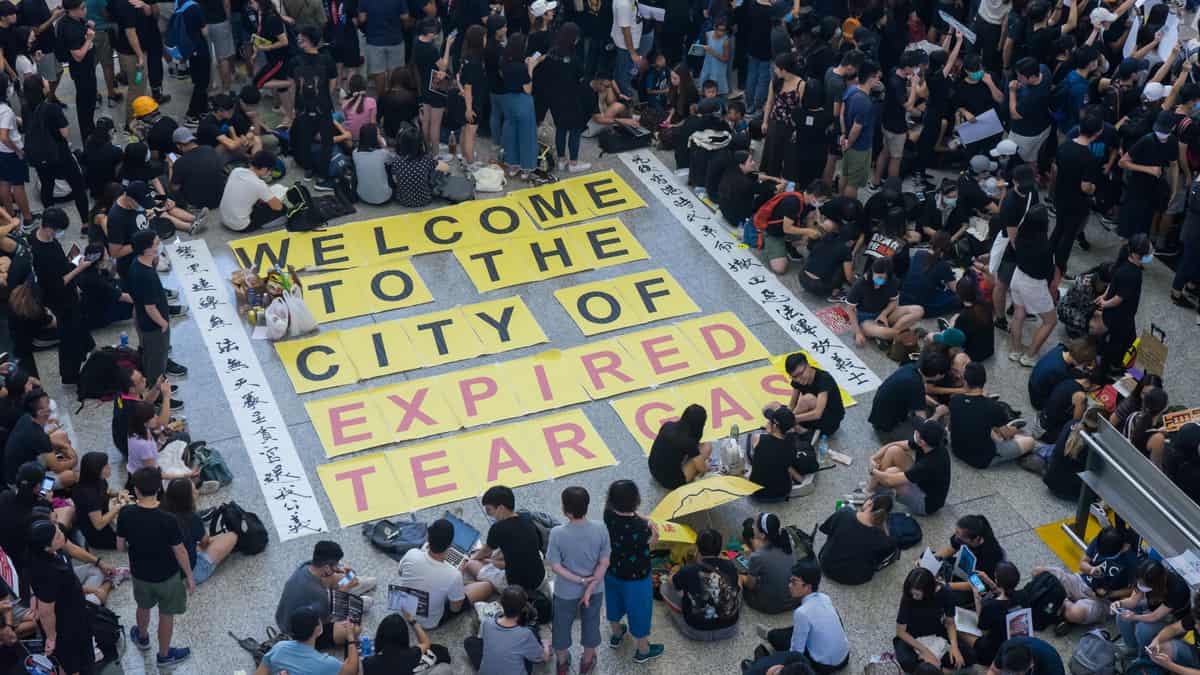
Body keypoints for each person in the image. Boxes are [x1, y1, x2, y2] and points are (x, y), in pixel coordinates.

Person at [116, 467, 194, 667]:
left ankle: (142, 638)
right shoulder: (168, 519)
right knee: (166, 614)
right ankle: (165, 655)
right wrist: (189, 577)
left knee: (143, 606)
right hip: (167, 576)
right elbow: (180, 551)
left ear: (136, 490)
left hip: (140, 574)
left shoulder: (126, 513)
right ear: (159, 488)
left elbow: (119, 546)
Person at [745, 560, 850, 675]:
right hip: (844, 658)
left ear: (807, 587)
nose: (789, 585)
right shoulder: (825, 598)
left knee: (783, 641)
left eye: (794, 582)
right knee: (797, 629)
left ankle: (770, 639)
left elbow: (796, 654)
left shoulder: (802, 613)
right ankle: (772, 635)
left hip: (822, 666)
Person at [546, 486, 609, 674]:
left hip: (565, 591)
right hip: (595, 588)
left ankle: (562, 662)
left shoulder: (557, 533)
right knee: (591, 623)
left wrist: (580, 580)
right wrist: (591, 583)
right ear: (587, 506)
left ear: (565, 510)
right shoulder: (600, 528)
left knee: (561, 624)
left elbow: (555, 566)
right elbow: (604, 562)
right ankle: (587, 661)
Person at [29, 208, 95, 385]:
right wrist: (79, 269)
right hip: (60, 299)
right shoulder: (43, 254)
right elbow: (58, 283)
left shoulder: (39, 237)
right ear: (51, 228)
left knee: (78, 326)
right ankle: (70, 375)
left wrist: (71, 264)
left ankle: (87, 347)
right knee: (69, 338)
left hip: (65, 293)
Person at [1033, 526, 1136, 634]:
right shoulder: (1102, 539)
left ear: (1122, 548)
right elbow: (1082, 564)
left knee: (1075, 613)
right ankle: (1062, 609)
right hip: (1080, 582)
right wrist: (1091, 570)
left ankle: (1057, 603)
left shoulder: (1132, 561)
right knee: (1039, 572)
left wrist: (1110, 594)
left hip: (1101, 600)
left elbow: (1134, 590)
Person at [603, 480, 663, 663]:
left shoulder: (608, 515)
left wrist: (642, 519)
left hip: (612, 571)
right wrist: (655, 533)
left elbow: (629, 515)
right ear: (637, 500)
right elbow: (650, 545)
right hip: (637, 577)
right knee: (639, 610)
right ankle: (643, 650)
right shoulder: (642, 528)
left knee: (613, 603)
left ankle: (616, 634)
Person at [27, 519, 96, 675]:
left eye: (58, 530)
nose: (61, 535)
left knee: (80, 659)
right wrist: (52, 638)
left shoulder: (51, 553)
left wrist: (33, 596)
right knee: (71, 664)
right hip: (65, 624)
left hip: (76, 612)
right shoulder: (47, 572)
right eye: (57, 536)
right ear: (46, 547)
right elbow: (46, 612)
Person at [275, 540, 373, 646]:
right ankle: (352, 592)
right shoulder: (321, 597)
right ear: (326, 567)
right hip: (298, 635)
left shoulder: (306, 566)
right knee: (359, 622)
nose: (338, 567)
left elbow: (333, 575)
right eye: (336, 564)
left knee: (337, 578)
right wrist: (344, 591)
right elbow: (331, 618)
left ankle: (351, 587)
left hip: (285, 617)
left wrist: (349, 576)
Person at [22, 74, 88, 226]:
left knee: (47, 185)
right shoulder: (52, 108)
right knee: (77, 185)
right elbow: (64, 133)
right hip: (60, 154)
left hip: (40, 157)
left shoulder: (26, 108)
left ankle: (50, 219)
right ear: (42, 89)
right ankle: (85, 223)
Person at [464, 485, 546, 596]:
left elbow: (485, 552)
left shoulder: (498, 529)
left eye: (489, 510)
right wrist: (493, 561)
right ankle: (493, 563)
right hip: (540, 578)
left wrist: (471, 559)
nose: (488, 514)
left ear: (501, 508)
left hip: (517, 587)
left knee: (472, 564)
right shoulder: (526, 517)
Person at [949, 363, 1035, 468]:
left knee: (982, 423)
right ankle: (1006, 432)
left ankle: (996, 432)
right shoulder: (993, 407)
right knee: (1030, 442)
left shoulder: (954, 400)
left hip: (957, 450)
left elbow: (951, 425)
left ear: (965, 381)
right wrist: (1015, 430)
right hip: (981, 459)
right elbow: (1006, 435)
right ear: (984, 381)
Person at [662, 528, 740, 641]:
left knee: (664, 586)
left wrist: (673, 572)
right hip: (730, 628)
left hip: (696, 630)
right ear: (719, 549)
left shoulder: (688, 570)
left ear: (697, 548)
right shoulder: (730, 566)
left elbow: (672, 583)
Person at [128, 229, 182, 388]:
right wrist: (163, 324)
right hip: (153, 326)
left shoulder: (137, 263)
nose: (158, 246)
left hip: (144, 321)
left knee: (150, 356)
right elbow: (150, 307)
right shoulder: (147, 276)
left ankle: (158, 385)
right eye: (156, 243)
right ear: (147, 249)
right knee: (156, 360)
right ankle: (157, 394)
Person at [1006, 200, 1058, 365]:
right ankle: (1029, 356)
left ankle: (1015, 351)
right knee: (1050, 321)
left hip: (1017, 277)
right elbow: (1047, 272)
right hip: (1034, 284)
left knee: (1018, 313)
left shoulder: (1020, 235)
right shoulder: (1045, 246)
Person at [864, 419, 951, 517]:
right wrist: (873, 458)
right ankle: (870, 490)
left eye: (917, 432)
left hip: (926, 503)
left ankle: (876, 494)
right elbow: (893, 444)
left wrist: (873, 470)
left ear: (922, 441)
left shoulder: (928, 464)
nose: (915, 432)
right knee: (893, 451)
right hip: (921, 481)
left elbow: (889, 480)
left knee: (891, 472)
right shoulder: (932, 444)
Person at [161, 478, 236, 586]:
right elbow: (204, 543)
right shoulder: (191, 518)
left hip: (165, 567)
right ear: (186, 498)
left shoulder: (161, 511)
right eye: (194, 490)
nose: (197, 491)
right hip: (190, 570)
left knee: (208, 539)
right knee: (231, 536)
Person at [394, 519, 468, 629]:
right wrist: (459, 576)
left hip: (404, 607)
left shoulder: (412, 553)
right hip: (427, 623)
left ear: (428, 538)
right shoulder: (454, 575)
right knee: (482, 587)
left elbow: (400, 572)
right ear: (450, 545)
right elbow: (455, 608)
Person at [893, 567, 967, 673]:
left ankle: (933, 667)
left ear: (929, 590)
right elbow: (900, 632)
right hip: (912, 635)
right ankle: (939, 669)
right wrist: (926, 651)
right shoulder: (908, 597)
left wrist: (954, 647)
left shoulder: (946, 593)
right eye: (912, 593)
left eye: (917, 594)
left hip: (935, 631)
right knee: (907, 661)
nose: (913, 597)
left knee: (966, 655)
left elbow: (950, 623)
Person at [538, 23, 591, 173]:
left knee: (560, 128)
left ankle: (561, 160)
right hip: (572, 98)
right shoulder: (574, 58)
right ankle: (573, 163)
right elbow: (581, 77)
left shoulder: (552, 53)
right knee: (575, 129)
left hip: (554, 98)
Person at [1113, 559, 1193, 656]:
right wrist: (1119, 603)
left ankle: (1143, 656)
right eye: (1139, 583)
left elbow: (1155, 616)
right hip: (1154, 605)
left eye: (1144, 585)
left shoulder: (1178, 588)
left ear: (1156, 584)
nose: (1141, 586)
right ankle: (1131, 647)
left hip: (1174, 617)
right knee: (1121, 616)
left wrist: (1134, 617)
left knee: (1142, 629)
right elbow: (1133, 601)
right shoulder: (1143, 576)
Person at [3, 389, 77, 488]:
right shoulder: (38, 436)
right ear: (41, 412)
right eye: (48, 403)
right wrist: (74, 460)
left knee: (61, 436)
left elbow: (44, 440)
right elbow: (57, 468)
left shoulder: (26, 417)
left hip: (23, 467)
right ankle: (41, 494)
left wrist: (64, 445)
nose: (50, 405)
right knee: (69, 476)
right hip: (22, 485)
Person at [1098, 234, 1151, 374]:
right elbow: (1119, 298)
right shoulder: (1131, 274)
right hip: (1120, 316)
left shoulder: (1124, 263)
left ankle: (1120, 363)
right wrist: (1105, 303)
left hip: (1122, 314)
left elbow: (1113, 284)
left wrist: (1104, 297)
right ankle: (1108, 367)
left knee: (1128, 339)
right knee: (1116, 343)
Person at [257, 605, 361, 675]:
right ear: (317, 629)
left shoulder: (279, 647)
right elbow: (352, 669)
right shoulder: (326, 664)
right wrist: (350, 637)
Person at [817, 496, 897, 586]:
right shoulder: (882, 538)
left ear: (870, 503)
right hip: (855, 577)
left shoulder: (844, 513)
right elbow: (889, 548)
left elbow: (826, 529)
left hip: (826, 565)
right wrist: (883, 524)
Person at [847, 257, 925, 349]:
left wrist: (884, 314)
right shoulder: (860, 285)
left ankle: (891, 335)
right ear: (872, 271)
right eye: (878, 277)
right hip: (865, 320)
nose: (881, 280)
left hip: (885, 313)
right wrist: (858, 333)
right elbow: (850, 310)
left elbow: (894, 301)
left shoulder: (893, 281)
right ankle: (901, 334)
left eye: (884, 278)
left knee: (919, 310)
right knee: (884, 332)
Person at [867, 353, 949, 439]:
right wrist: (937, 414)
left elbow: (919, 396)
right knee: (935, 437)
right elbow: (924, 427)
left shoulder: (911, 368)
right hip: (887, 428)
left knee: (931, 412)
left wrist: (936, 405)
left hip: (879, 416)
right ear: (938, 375)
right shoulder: (916, 385)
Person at [748, 405, 817, 500]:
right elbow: (786, 465)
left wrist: (769, 432)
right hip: (780, 494)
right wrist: (800, 479)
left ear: (775, 425)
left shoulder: (757, 438)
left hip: (755, 492)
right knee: (782, 462)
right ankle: (799, 479)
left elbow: (767, 448)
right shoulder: (791, 447)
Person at [479, 586, 550, 674]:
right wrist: (545, 645)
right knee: (529, 655)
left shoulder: (487, 623)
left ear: (500, 603)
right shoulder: (525, 634)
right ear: (523, 608)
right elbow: (543, 658)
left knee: (471, 642)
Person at [934, 515, 1007, 600]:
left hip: (980, 583)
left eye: (959, 534)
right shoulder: (967, 532)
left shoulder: (990, 555)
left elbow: (977, 584)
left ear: (975, 539)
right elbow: (951, 548)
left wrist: (944, 585)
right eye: (956, 532)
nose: (956, 536)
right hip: (965, 567)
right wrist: (931, 561)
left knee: (944, 596)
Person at [499, 34, 541, 179]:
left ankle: (512, 165)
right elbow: (528, 88)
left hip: (507, 100)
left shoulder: (503, 61)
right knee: (527, 135)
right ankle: (526, 168)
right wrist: (530, 68)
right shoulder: (521, 67)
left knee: (511, 133)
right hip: (522, 101)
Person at [739, 512, 797, 615]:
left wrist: (742, 577)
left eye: (755, 526)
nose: (753, 527)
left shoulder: (757, 557)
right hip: (794, 598)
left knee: (740, 577)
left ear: (762, 535)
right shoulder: (788, 541)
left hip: (772, 605)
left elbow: (750, 585)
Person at [362, 612, 451, 674]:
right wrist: (413, 621)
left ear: (380, 636)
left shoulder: (368, 663)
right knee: (445, 668)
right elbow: (426, 643)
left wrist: (352, 638)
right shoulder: (412, 654)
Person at [647, 403, 712, 489]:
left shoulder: (668, 425)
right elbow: (701, 468)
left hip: (653, 470)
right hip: (671, 482)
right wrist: (707, 468)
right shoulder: (689, 442)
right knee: (707, 447)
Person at [218, 151, 286, 232]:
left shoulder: (236, 171)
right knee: (283, 209)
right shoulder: (259, 184)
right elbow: (278, 207)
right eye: (270, 170)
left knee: (260, 201)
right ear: (264, 169)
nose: (270, 173)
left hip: (223, 218)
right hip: (240, 225)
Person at [72, 452, 127, 550]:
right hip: (99, 536)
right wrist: (117, 508)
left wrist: (117, 493)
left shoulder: (97, 480)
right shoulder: (90, 496)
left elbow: (105, 492)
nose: (109, 467)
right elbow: (99, 525)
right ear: (96, 471)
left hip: (104, 514)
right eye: (105, 466)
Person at [900, 231, 959, 318]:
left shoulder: (918, 253)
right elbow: (956, 289)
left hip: (903, 300)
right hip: (921, 306)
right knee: (957, 297)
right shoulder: (943, 265)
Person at [388, 123, 448, 208]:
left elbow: (395, 180)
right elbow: (446, 167)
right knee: (437, 170)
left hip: (404, 201)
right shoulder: (427, 159)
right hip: (426, 199)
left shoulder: (396, 162)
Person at [1028, 338, 1095, 410]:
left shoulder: (1060, 348)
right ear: (1080, 361)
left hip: (1033, 385)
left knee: (1078, 376)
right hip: (1039, 400)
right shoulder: (1060, 370)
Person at [358, 0, 409, 95]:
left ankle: (381, 99)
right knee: (395, 73)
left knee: (379, 73)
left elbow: (362, 18)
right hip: (395, 39)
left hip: (374, 40)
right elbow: (405, 16)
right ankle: (392, 97)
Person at [169, 127, 227, 210]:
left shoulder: (180, 163)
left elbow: (174, 188)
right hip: (220, 198)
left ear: (178, 145)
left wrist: (171, 166)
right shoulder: (209, 149)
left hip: (199, 204)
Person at [952, 276, 995, 362]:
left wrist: (952, 324)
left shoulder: (963, 317)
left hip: (973, 356)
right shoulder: (986, 304)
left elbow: (957, 340)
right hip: (989, 350)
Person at [352, 125, 395, 206]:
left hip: (363, 197)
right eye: (378, 134)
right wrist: (384, 146)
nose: (380, 136)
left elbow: (354, 176)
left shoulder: (355, 153)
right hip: (385, 198)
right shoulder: (383, 153)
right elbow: (392, 161)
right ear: (374, 137)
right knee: (388, 168)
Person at [610, 0, 643, 98]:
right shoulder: (623, 5)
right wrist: (632, 53)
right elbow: (626, 31)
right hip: (625, 48)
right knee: (624, 77)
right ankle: (625, 99)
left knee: (623, 73)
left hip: (629, 45)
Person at [988, 637, 1065, 675]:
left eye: (1017, 674)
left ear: (1031, 664)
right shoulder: (1007, 647)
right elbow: (993, 670)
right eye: (1009, 672)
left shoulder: (1053, 668)